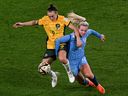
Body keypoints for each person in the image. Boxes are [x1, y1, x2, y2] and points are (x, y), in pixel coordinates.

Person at [13, 4, 82, 88]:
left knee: (62, 58)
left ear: (56, 13)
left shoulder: (62, 19)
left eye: (52, 16)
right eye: (49, 16)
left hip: (61, 43)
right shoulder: (45, 19)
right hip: (50, 46)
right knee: (41, 68)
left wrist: (78, 39)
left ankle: (69, 72)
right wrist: (22, 24)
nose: (51, 18)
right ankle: (53, 75)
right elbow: (34, 22)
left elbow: (75, 28)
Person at [55, 19, 105, 94]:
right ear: (78, 29)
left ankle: (97, 85)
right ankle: (86, 82)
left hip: (81, 58)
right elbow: (58, 40)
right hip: (72, 62)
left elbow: (91, 31)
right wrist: (56, 53)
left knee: (89, 74)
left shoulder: (87, 33)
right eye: (82, 30)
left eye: (85, 30)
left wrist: (100, 36)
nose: (84, 32)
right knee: (80, 80)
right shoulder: (71, 37)